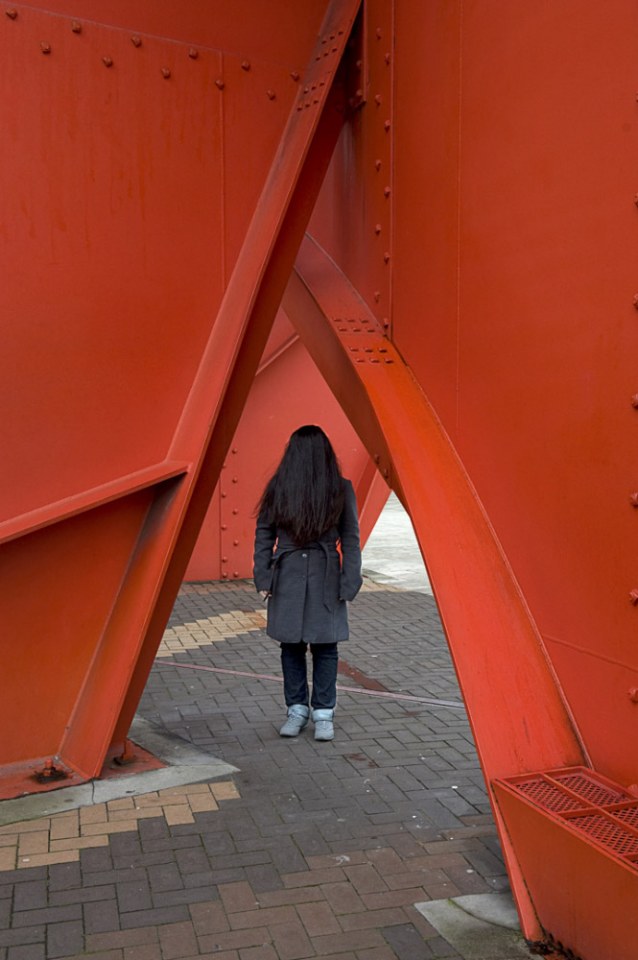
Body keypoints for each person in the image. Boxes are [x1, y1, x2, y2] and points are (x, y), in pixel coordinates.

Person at [253, 425, 362, 741]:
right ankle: (297, 709)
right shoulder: (280, 488)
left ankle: (322, 712)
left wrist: (349, 580)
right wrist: (264, 576)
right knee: (292, 644)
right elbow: (265, 533)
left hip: (323, 573)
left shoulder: (339, 490)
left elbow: (350, 538)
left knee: (325, 644)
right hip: (288, 573)